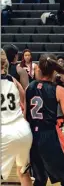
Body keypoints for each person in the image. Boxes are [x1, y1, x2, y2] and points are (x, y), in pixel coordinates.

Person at [25, 54, 64, 186]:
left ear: (38, 69)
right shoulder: (59, 90)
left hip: (32, 136)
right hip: (50, 135)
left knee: (40, 179)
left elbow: (25, 115)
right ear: (55, 71)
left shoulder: (29, 87)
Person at [1, 49, 33, 185]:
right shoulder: (12, 80)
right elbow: (25, 97)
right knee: (22, 172)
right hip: (23, 131)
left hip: (4, 133)